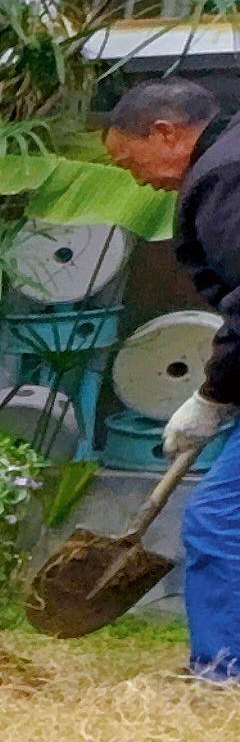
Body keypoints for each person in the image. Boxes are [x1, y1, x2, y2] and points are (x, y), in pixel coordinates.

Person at [101, 76, 240, 682]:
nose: (137, 180)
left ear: (166, 133)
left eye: (129, 161)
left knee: (219, 523)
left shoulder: (224, 177)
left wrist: (213, 394)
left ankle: (223, 674)